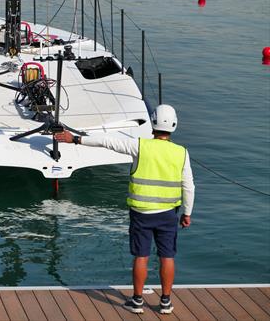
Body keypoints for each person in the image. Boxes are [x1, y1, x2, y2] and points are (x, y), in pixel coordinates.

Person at [55, 104, 194, 315]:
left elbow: (107, 142)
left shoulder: (140, 146)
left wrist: (74, 138)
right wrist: (187, 213)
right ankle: (165, 302)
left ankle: (137, 301)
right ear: (174, 125)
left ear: (152, 123)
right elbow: (189, 186)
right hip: (168, 214)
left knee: (141, 256)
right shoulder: (181, 153)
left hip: (141, 213)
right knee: (167, 257)